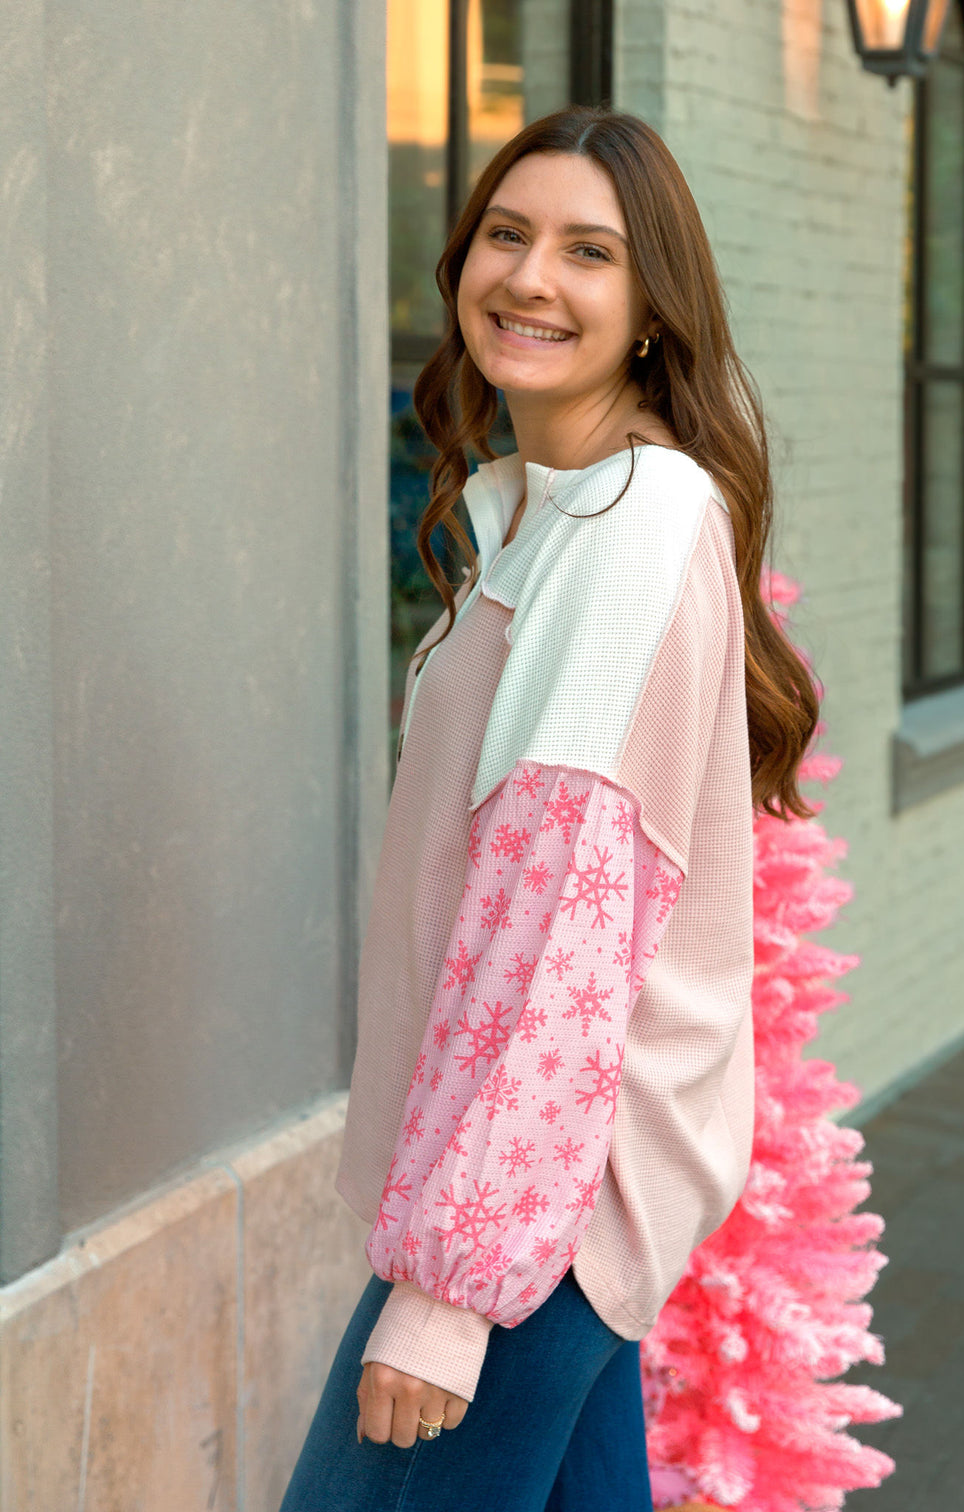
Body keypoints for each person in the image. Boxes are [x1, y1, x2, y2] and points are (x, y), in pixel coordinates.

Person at [279, 104, 818, 1512]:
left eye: (590, 252)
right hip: (547, 1203)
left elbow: (562, 918)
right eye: (507, 235)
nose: (530, 278)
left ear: (652, 311)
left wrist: (451, 1292)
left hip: (537, 1229)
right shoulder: (559, 510)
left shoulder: (633, 528)